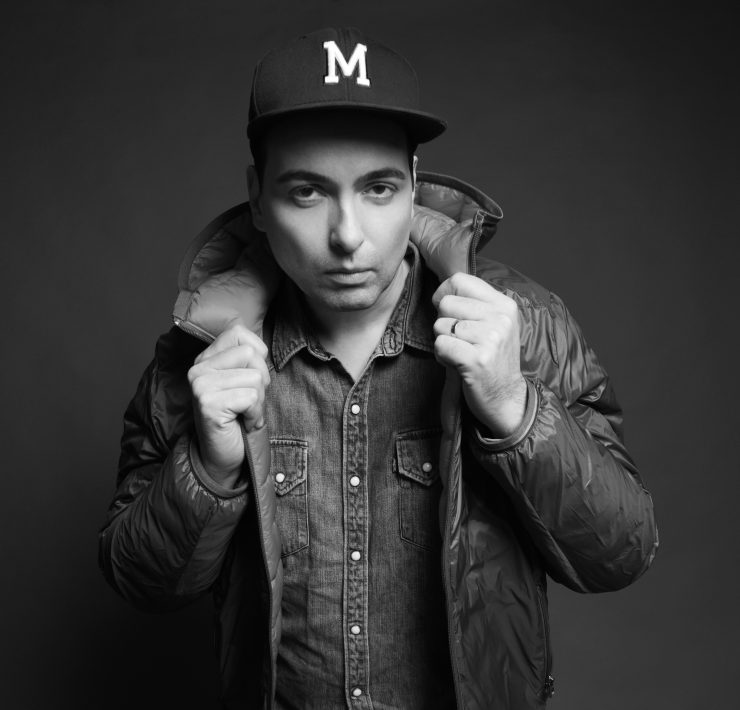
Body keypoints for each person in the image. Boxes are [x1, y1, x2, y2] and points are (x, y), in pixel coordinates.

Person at [99, 27, 658, 710]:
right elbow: (142, 584)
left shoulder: (520, 325)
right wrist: (208, 470)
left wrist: (515, 409)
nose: (348, 236)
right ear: (258, 198)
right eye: (308, 192)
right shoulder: (203, 350)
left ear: (415, 184)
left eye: (379, 188)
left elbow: (620, 554)